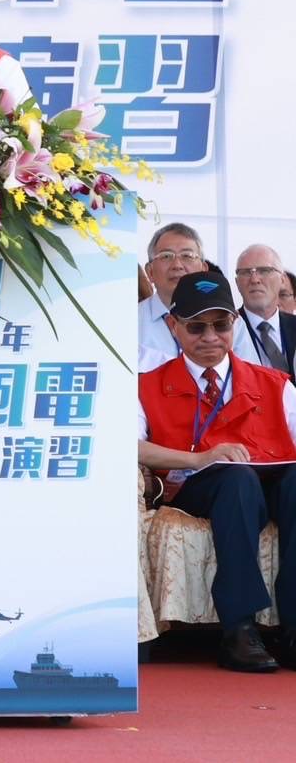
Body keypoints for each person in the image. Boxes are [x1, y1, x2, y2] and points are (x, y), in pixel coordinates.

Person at [138, 270, 296, 673]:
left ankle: (294, 628)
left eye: (221, 324)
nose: (210, 337)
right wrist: (199, 459)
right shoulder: (146, 385)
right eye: (196, 327)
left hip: (272, 481)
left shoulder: (276, 384)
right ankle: (238, 628)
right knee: (236, 479)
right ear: (173, 326)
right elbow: (128, 444)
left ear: (235, 324)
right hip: (197, 486)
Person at [139, 223, 255, 370]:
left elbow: (251, 374)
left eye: (187, 256)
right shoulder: (130, 322)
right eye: (166, 256)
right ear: (150, 272)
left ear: (203, 269)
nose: (177, 265)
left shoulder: (229, 320)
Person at [234, 245, 296, 377]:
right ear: (237, 282)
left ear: (282, 279)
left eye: (264, 271)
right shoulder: (228, 329)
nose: (255, 280)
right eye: (246, 272)